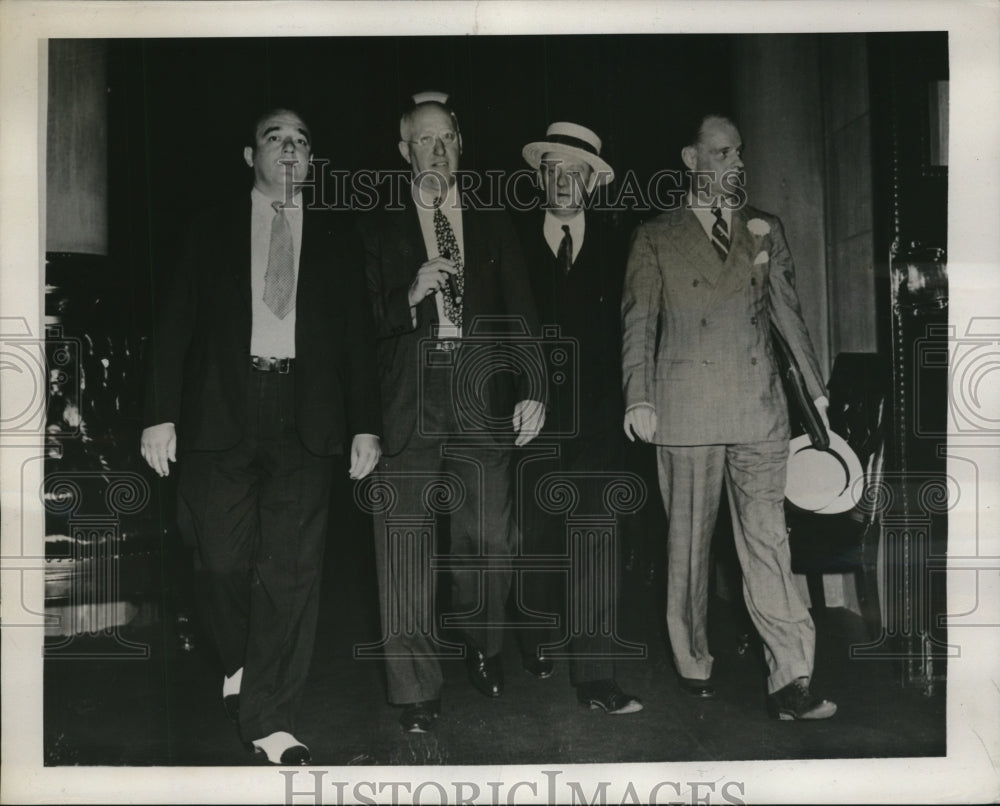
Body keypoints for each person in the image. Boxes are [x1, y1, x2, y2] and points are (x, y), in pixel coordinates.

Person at [140, 108, 382, 764]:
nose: (290, 150)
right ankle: (242, 662)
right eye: (277, 138)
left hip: (308, 415)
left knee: (293, 572)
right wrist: (159, 414)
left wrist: (366, 424)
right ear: (250, 155)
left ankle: (272, 721)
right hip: (222, 409)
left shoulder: (336, 236)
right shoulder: (209, 230)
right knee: (215, 558)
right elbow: (173, 326)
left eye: (303, 141)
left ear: (310, 160)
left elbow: (358, 338)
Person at [620, 112, 837, 720]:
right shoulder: (655, 236)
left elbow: (788, 314)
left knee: (768, 541)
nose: (734, 163)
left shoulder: (764, 229)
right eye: (720, 153)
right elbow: (639, 322)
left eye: (738, 152)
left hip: (758, 406)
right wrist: (639, 395)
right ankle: (692, 659)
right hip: (684, 409)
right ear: (690, 160)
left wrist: (815, 397)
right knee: (686, 546)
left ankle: (792, 674)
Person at [360, 91, 545, 733]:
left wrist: (534, 388)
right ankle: (415, 688)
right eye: (423, 141)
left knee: (490, 542)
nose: (436, 151)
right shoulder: (376, 223)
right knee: (404, 544)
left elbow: (521, 310)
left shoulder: (492, 220)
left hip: (480, 392)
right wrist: (408, 295)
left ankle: (481, 641)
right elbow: (353, 322)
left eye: (446, 139)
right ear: (403, 151)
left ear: (460, 145)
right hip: (406, 397)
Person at [514, 121, 642, 714]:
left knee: (595, 539)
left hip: (597, 420)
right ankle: (536, 632)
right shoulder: (510, 239)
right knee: (535, 540)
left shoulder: (623, 246)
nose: (563, 182)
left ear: (592, 183)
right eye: (553, 170)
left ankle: (596, 676)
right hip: (526, 416)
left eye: (575, 172)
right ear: (539, 177)